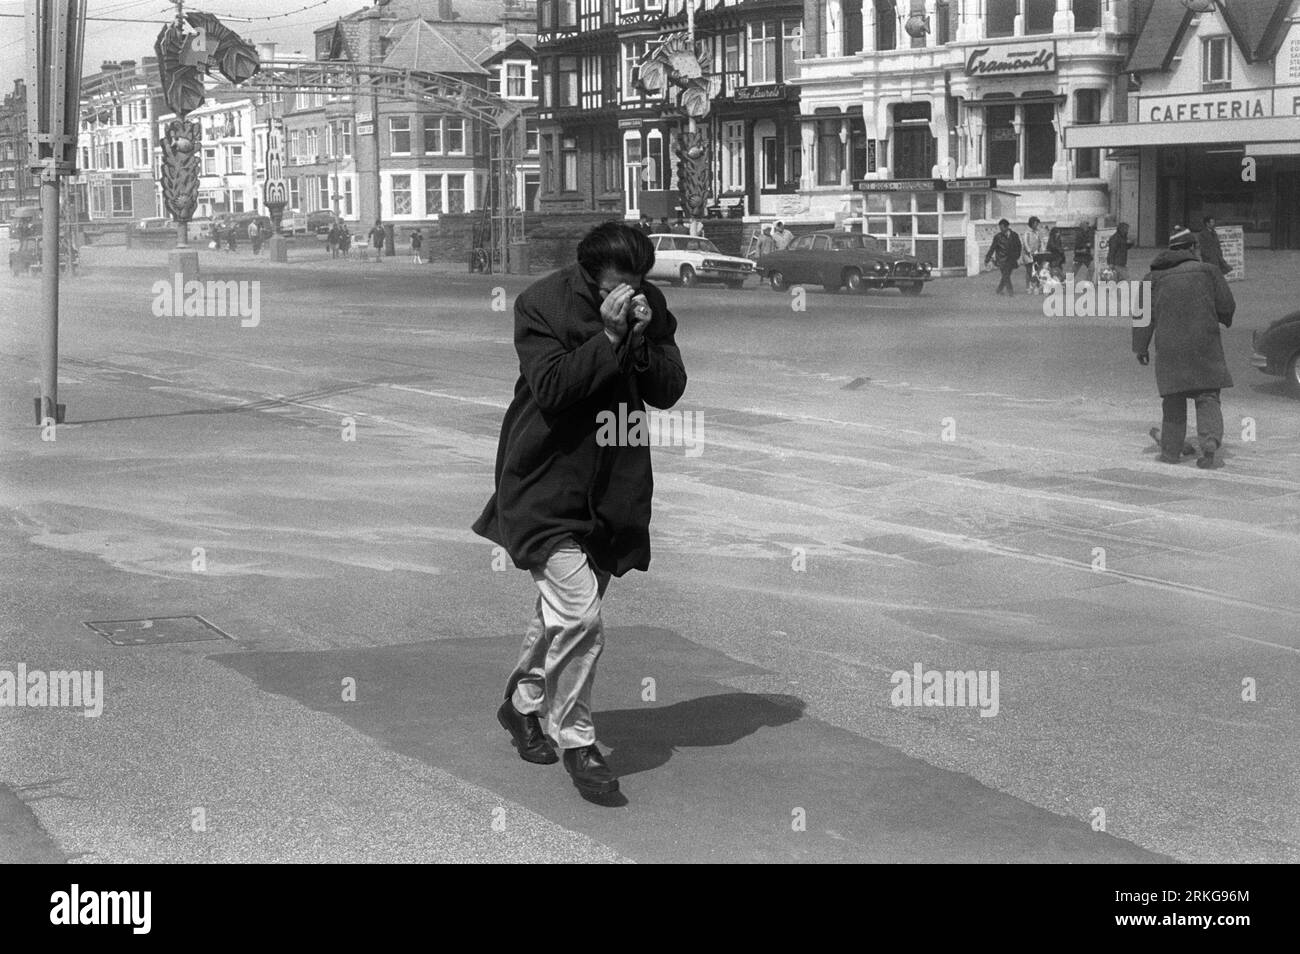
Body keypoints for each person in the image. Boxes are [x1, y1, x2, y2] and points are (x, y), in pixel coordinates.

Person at [473, 222, 687, 798]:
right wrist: (611, 338)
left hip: (613, 481)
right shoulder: (541, 303)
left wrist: (641, 338)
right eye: (615, 286)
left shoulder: (650, 304)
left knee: (563, 614)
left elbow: (668, 389)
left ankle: (521, 705)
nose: (627, 293)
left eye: (637, 282)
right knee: (583, 619)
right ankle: (578, 740)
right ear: (590, 275)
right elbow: (553, 389)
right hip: (544, 478)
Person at [1134, 225, 1235, 469]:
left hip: (1170, 348)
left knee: (1173, 400)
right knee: (1208, 395)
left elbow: (1142, 317)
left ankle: (1170, 451)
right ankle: (1209, 442)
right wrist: (1220, 318)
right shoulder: (1209, 271)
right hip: (1205, 344)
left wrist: (1141, 347)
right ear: (1191, 248)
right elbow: (1227, 305)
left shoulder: (1152, 278)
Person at [984, 218, 1022, 296]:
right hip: (1001, 260)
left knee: (1006, 276)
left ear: (1007, 227)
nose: (1001, 229)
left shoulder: (1014, 235)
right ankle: (1010, 292)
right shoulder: (997, 237)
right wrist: (987, 258)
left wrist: (1017, 256)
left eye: (1002, 227)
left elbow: (1019, 246)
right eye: (1000, 228)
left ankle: (999, 290)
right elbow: (992, 248)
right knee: (1006, 276)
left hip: (1011, 259)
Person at [1022, 216, 1045, 292]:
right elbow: (1025, 243)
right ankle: (1028, 286)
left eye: (1037, 223)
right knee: (1029, 270)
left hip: (1036, 254)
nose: (1036, 225)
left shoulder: (1037, 232)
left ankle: (1037, 285)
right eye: (1035, 223)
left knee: (1038, 269)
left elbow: (1041, 242)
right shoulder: (1027, 232)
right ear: (1031, 223)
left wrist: (1042, 251)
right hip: (1027, 254)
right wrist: (1029, 251)